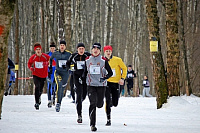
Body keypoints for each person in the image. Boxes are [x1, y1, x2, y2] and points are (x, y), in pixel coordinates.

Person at [85, 43, 113, 131]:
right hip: (91, 85)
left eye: (97, 49)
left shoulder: (104, 60)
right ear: (92, 50)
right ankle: (92, 124)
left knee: (99, 104)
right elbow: (84, 71)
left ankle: (99, 104)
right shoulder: (87, 60)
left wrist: (105, 78)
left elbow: (110, 73)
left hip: (101, 85)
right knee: (92, 103)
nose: (95, 50)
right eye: (94, 48)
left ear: (100, 51)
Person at [66, 43, 91, 123]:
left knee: (84, 95)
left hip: (85, 78)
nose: (81, 50)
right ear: (77, 49)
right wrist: (69, 68)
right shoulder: (73, 56)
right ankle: (79, 115)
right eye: (79, 49)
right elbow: (68, 63)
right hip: (76, 77)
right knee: (79, 95)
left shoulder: (88, 56)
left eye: (82, 49)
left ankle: (79, 101)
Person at [103, 45, 127, 126]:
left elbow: (124, 68)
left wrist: (122, 78)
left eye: (109, 51)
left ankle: (112, 103)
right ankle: (108, 119)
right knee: (107, 100)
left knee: (115, 103)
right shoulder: (102, 60)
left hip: (116, 83)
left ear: (111, 52)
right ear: (104, 52)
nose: (108, 53)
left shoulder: (117, 60)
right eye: (107, 51)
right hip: (106, 83)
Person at [49, 40, 71, 112]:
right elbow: (51, 59)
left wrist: (68, 67)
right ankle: (58, 103)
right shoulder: (56, 53)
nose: (62, 47)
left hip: (65, 73)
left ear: (65, 47)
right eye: (61, 45)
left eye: (63, 45)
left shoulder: (68, 54)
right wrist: (50, 67)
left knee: (62, 88)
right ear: (59, 46)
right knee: (59, 84)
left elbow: (73, 62)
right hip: (58, 72)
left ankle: (59, 101)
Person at [28, 42, 50, 110]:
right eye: (37, 49)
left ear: (41, 49)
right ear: (35, 50)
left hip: (43, 75)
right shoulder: (33, 57)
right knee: (37, 87)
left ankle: (39, 96)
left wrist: (48, 63)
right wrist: (31, 68)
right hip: (36, 74)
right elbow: (29, 63)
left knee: (40, 89)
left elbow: (51, 60)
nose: (38, 50)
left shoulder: (45, 56)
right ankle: (37, 103)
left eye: (39, 49)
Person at [46, 42, 57, 108]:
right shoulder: (47, 54)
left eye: (53, 48)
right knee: (49, 86)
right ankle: (49, 100)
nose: (52, 49)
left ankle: (53, 98)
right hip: (49, 72)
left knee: (55, 86)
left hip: (55, 72)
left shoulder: (57, 54)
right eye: (51, 48)